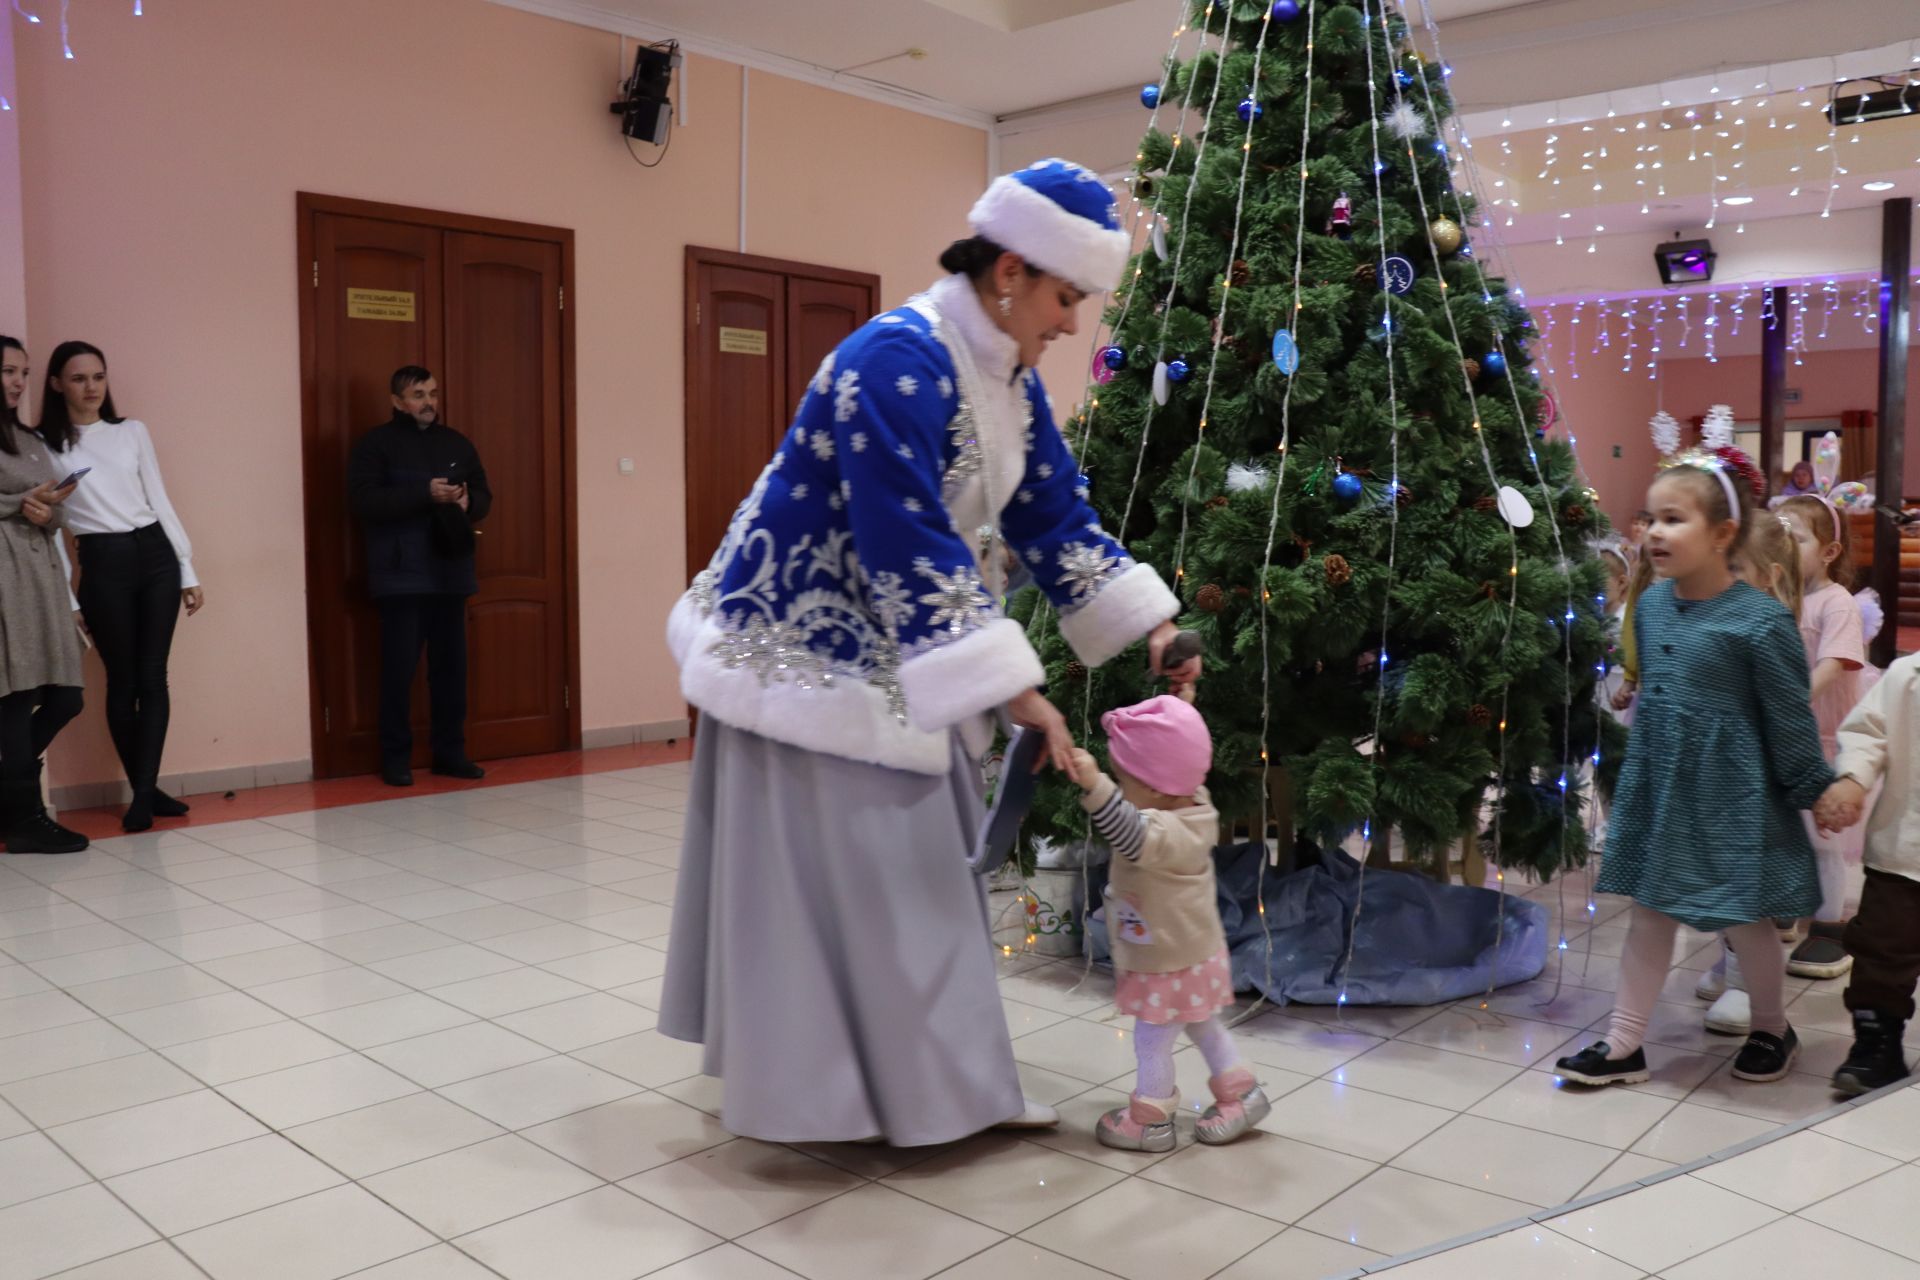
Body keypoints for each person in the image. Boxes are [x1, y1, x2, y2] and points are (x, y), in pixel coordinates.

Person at [659, 158, 1198, 1146]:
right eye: (1065, 296)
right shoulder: (894, 358)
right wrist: (1020, 691)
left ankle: (936, 1085)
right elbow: (905, 535)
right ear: (1007, 270)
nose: (1072, 324)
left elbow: (1051, 511)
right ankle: (841, 1092)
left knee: (909, 878)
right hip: (804, 654)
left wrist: (1152, 621)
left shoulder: (1004, 377)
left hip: (893, 644)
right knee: (867, 877)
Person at [1555, 450, 1833, 1087]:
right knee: (1652, 912)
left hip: (1735, 797)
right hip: (1666, 790)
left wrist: (1815, 789)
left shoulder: (1761, 621)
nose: (1654, 532)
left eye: (1674, 519)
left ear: (1722, 535)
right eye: (1651, 518)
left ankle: (1771, 1026)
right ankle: (1625, 1043)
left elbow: (1788, 719)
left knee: (1745, 917)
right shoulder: (1650, 609)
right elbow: (1657, 698)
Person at [1066, 695, 1263, 1152]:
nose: (1119, 786)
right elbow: (1178, 761)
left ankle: (1150, 1119)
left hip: (1167, 963)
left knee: (1151, 1041)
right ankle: (1243, 1095)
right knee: (1203, 1026)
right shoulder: (1196, 804)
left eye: (1124, 780)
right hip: (1195, 954)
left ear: (1155, 789)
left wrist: (1095, 784)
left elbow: (1126, 829)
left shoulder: (1164, 832)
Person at [39, 341, 201, 834]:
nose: (91, 388)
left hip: (154, 554)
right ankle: (145, 791)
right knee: (123, 681)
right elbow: (50, 531)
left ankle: (144, 792)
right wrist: (68, 598)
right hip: (102, 561)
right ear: (56, 384)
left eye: (98, 377)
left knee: (154, 677)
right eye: (79, 378)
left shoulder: (131, 431)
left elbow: (160, 497)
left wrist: (188, 569)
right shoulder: (45, 445)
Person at [348, 367, 491, 788]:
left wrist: (468, 503)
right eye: (417, 394)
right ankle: (395, 758)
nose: (428, 401)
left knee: (451, 670)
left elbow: (485, 494)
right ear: (396, 401)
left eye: (431, 393)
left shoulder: (457, 443)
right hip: (401, 577)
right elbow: (364, 501)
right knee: (398, 671)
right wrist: (423, 493)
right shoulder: (375, 445)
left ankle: (451, 753)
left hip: (451, 572)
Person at [1694, 511, 1805, 1036]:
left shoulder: (1770, 631)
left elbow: (1783, 721)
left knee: (1749, 896)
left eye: (1735, 568)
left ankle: (1750, 989)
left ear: (1769, 576)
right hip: (1714, 782)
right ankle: (1729, 963)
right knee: (1720, 887)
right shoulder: (1715, 619)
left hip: (1752, 788)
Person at [1815, 654, 1920, 1093]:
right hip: (1905, 849)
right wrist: (1852, 780)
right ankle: (1876, 1043)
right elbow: (1867, 730)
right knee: (1881, 950)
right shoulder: (1907, 675)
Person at [0, 337, 88, 854]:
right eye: (8, 370)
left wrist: (49, 510)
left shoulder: (27, 437)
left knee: (65, 696)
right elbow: (17, 500)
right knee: (15, 699)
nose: (17, 381)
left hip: (42, 579)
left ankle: (11, 804)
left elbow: (55, 511)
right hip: (6, 579)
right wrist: (19, 504)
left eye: (23, 372)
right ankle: (25, 819)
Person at [1777, 494, 1868, 978]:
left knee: (1824, 835)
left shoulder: (1838, 603)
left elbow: (1835, 664)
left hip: (1828, 739)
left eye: (1798, 536)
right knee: (1787, 828)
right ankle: (1790, 903)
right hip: (1787, 738)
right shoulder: (1778, 598)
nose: (1786, 544)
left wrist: (1791, 700)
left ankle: (1830, 928)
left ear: (1829, 551)